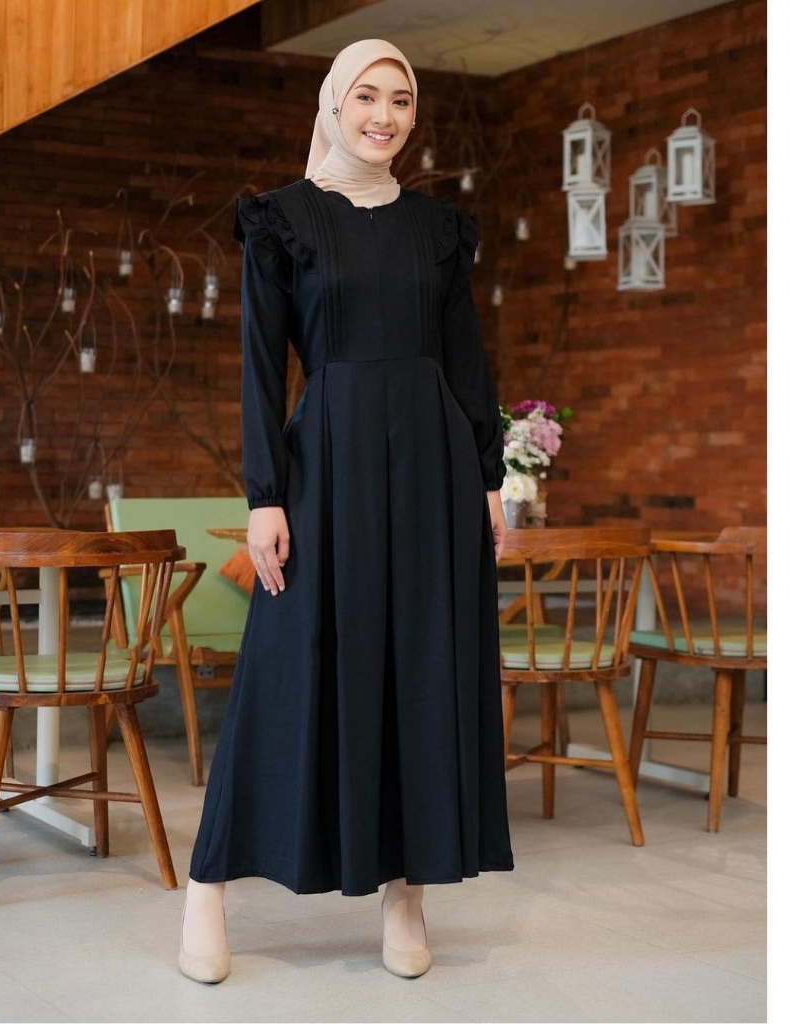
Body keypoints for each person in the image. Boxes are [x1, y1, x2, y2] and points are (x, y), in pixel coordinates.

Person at [179, 38, 514, 985]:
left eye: (400, 99)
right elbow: (259, 367)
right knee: (285, 670)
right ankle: (207, 887)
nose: (384, 114)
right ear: (334, 104)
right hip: (323, 468)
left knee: (423, 672)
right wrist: (264, 496)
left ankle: (407, 894)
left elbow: (466, 359)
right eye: (366, 95)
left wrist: (489, 477)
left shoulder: (438, 230)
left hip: (435, 473)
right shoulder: (283, 220)